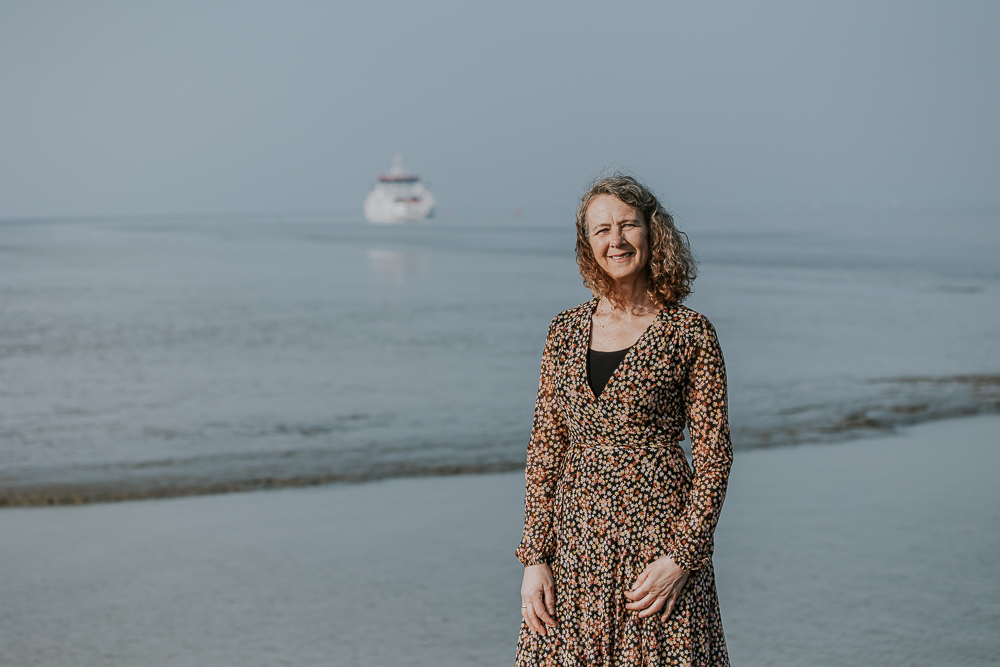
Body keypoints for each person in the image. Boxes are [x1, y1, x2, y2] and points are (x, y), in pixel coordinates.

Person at [515, 175, 732, 666]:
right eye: (601, 230)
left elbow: (715, 461)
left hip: (656, 554)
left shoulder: (690, 333)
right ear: (586, 245)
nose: (615, 240)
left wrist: (681, 558)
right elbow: (545, 450)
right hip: (574, 553)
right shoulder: (564, 331)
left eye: (628, 225)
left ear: (653, 233)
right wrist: (535, 558)